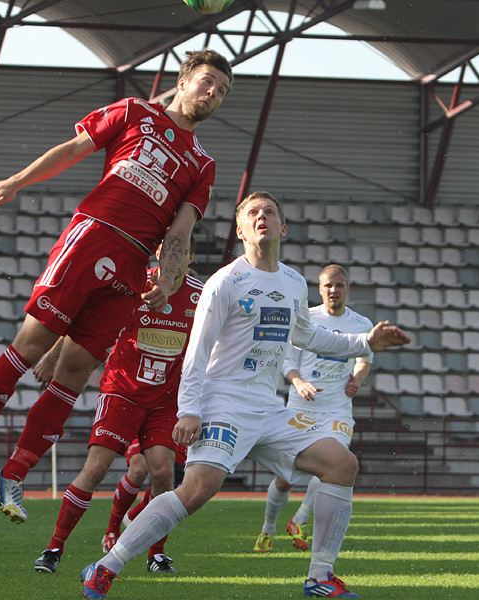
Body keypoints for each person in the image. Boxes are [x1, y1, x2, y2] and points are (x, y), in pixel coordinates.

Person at [78, 191, 411, 599]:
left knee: (342, 465)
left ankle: (320, 578)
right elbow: (197, 352)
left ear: (282, 228)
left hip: (268, 407)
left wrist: (365, 343)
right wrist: (189, 409)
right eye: (252, 213)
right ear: (240, 230)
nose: (262, 217)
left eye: (269, 212)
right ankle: (105, 567)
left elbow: (308, 336)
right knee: (197, 490)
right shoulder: (225, 283)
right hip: (223, 403)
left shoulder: (292, 282)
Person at [0, 50, 232, 523]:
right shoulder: (132, 111)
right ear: (182, 82)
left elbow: (180, 232)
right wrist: (16, 181)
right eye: (207, 82)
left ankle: (12, 476)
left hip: (132, 266)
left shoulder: (203, 163)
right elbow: (73, 149)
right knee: (32, 343)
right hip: (92, 236)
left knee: (76, 371)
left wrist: (168, 278)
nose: (212, 93)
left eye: (221, 91)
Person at [32, 235, 200, 574]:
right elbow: (88, 323)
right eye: (168, 252)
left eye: (181, 252)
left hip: (167, 400)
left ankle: (156, 554)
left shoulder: (202, 295)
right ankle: (54, 547)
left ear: (190, 256)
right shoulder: (137, 285)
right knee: (94, 471)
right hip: (122, 391)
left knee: (163, 474)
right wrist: (52, 357)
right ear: (157, 253)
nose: (174, 258)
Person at [252, 264, 373, 554]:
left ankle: (299, 519)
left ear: (347, 288)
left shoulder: (361, 324)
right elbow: (287, 360)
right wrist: (299, 382)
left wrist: (357, 379)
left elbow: (365, 358)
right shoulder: (306, 319)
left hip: (337, 409)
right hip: (301, 406)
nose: (334, 290)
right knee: (285, 479)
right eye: (328, 285)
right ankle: (268, 528)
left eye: (339, 285)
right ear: (319, 289)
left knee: (337, 463)